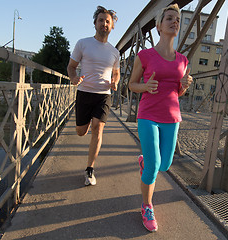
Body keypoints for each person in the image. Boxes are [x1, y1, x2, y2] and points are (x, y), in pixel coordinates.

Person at [128, 4, 193, 232]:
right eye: (169, 18)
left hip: (172, 116)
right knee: (154, 166)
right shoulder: (144, 55)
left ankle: (145, 161)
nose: (175, 22)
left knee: (164, 165)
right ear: (158, 26)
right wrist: (145, 85)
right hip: (148, 115)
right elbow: (131, 84)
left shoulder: (183, 60)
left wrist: (184, 85)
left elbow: (178, 91)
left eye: (177, 19)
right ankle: (147, 206)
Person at [67, 6, 120, 186]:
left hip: (103, 95)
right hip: (84, 93)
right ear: (95, 23)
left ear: (112, 26)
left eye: (107, 21)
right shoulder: (83, 43)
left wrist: (115, 81)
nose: (104, 23)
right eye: (101, 20)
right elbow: (71, 66)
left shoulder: (115, 52)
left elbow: (116, 73)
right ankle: (86, 124)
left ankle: (90, 169)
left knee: (98, 127)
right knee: (81, 132)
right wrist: (74, 78)